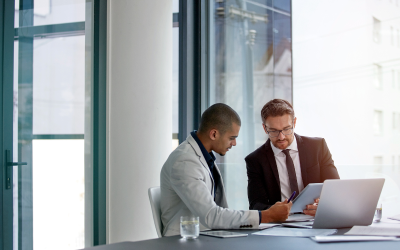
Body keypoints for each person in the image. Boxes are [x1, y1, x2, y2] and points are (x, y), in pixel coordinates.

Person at [160, 103, 292, 237]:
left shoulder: (203, 156)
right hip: (185, 241)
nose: (234, 143)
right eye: (232, 138)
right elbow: (211, 215)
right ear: (214, 134)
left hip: (207, 236)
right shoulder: (185, 162)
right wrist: (266, 216)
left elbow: (218, 212)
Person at [245, 99, 339, 216]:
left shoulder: (317, 147)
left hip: (316, 219)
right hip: (280, 224)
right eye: (274, 131)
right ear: (265, 128)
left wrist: (324, 205)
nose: (281, 137)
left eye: (286, 129)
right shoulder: (255, 160)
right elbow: (256, 205)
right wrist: (274, 211)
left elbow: (336, 190)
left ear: (294, 123)